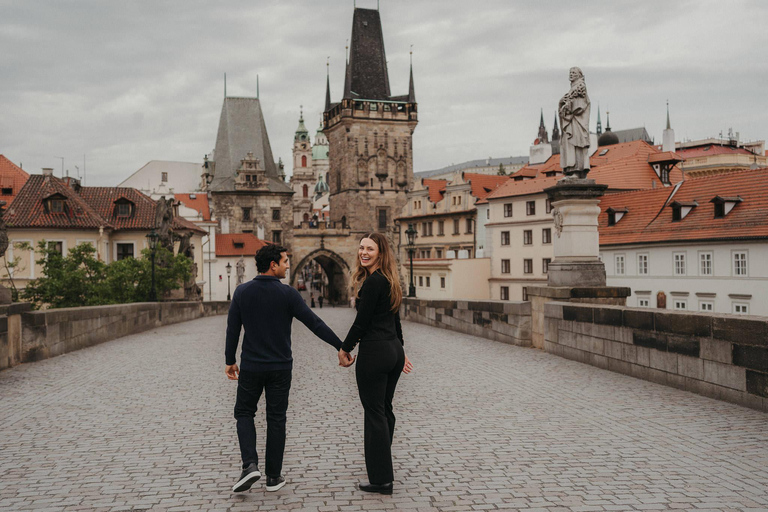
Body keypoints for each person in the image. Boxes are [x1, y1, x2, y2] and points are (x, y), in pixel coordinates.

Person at [225, 244, 350, 493]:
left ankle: (250, 465)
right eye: (284, 261)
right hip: (281, 367)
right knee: (276, 418)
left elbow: (233, 329)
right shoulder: (289, 294)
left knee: (244, 413)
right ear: (273, 265)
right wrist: (341, 346)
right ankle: (273, 477)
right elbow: (315, 323)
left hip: (252, 366)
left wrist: (230, 360)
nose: (287, 265)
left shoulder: (242, 292)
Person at [338, 233, 414, 495]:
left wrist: (344, 348)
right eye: (361, 248)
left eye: (370, 249)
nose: (364, 253)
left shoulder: (372, 283)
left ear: (380, 253)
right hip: (391, 350)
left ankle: (381, 479)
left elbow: (362, 323)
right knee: (384, 409)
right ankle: (382, 461)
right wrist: (400, 350)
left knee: (374, 413)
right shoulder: (391, 281)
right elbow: (396, 321)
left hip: (375, 353)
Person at [558, 66, 591, 178]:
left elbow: (580, 107)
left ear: (579, 75)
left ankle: (578, 170)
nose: (571, 74)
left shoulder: (580, 87)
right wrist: (561, 103)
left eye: (573, 72)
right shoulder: (572, 89)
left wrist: (567, 108)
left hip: (577, 122)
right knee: (571, 145)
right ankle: (572, 170)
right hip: (572, 122)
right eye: (570, 72)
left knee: (577, 144)